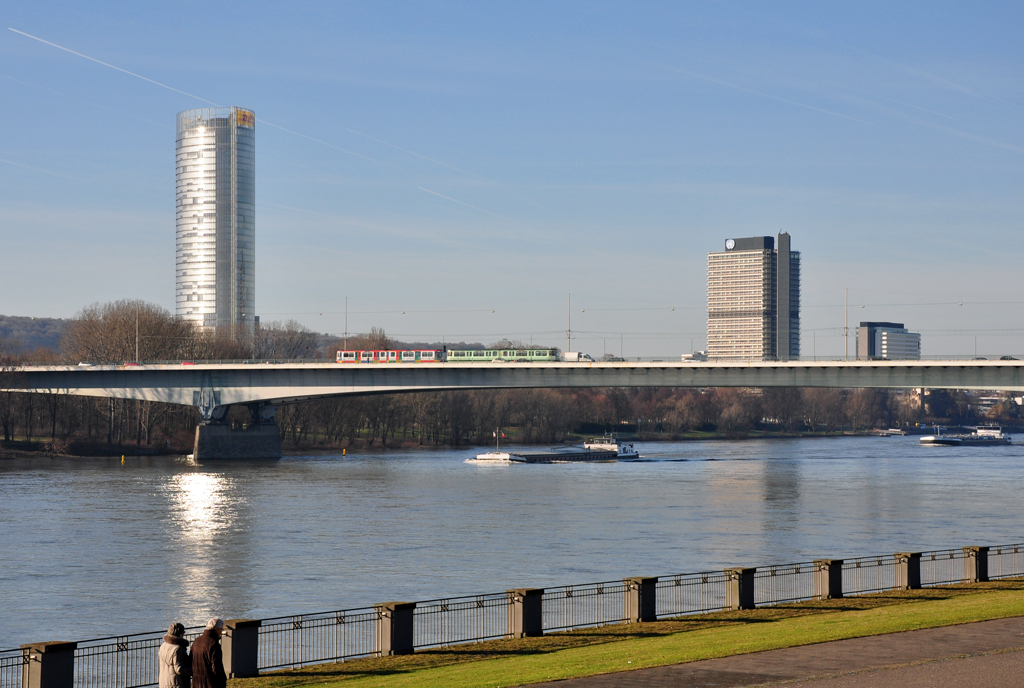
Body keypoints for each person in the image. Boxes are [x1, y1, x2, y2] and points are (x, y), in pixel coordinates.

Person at [190, 618, 227, 688]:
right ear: (217, 629)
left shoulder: (196, 641)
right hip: (209, 683)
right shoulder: (214, 644)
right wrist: (221, 682)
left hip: (196, 681)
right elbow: (217, 668)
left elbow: (191, 661)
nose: (221, 632)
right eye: (221, 629)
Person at [158, 622, 192, 688]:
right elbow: (179, 669)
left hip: (163, 681)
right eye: (183, 632)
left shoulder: (163, 646)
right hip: (176, 683)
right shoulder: (178, 649)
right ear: (180, 634)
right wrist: (193, 670)